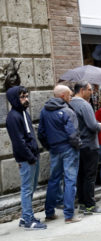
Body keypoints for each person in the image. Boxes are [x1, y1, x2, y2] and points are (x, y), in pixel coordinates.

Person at [38, 85, 81, 223]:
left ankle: (49, 212)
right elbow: (73, 134)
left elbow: (41, 133)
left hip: (55, 149)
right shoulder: (67, 111)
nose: (71, 97)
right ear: (63, 96)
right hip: (68, 149)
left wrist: (49, 146)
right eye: (69, 94)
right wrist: (77, 146)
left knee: (54, 180)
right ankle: (69, 215)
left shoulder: (45, 111)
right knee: (70, 180)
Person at [6, 86, 47, 230]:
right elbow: (18, 141)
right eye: (22, 97)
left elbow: (29, 136)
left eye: (26, 96)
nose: (26, 99)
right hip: (26, 159)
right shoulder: (13, 117)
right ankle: (29, 220)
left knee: (31, 188)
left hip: (32, 156)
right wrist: (30, 157)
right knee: (27, 189)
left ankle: (25, 217)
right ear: (14, 99)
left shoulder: (24, 113)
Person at [70, 81, 101, 214]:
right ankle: (90, 205)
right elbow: (92, 125)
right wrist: (99, 125)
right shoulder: (85, 105)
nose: (92, 92)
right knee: (90, 176)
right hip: (89, 145)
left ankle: (83, 204)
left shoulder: (70, 103)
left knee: (81, 176)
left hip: (77, 145)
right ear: (82, 90)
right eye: (90, 90)